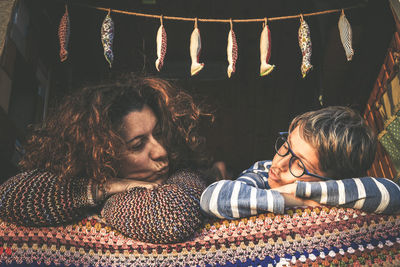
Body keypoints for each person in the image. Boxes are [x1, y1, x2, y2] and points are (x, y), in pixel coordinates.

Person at [0, 74, 214, 243]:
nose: (161, 152)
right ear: (103, 153)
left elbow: (171, 218)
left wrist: (110, 202)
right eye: (138, 145)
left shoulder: (184, 176)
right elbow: (8, 197)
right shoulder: (87, 182)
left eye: (158, 134)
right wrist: (106, 187)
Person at [201, 106, 400, 219]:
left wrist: (301, 190)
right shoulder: (264, 169)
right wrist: (292, 199)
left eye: (299, 164)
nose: (279, 163)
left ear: (329, 180)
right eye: (286, 147)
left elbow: (390, 193)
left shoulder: (341, 187)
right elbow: (212, 198)